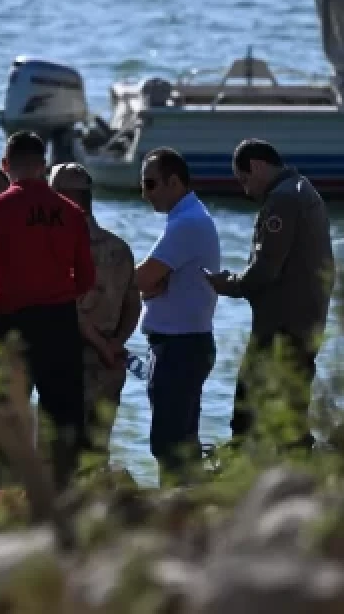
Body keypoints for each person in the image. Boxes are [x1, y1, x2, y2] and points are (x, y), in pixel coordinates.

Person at [0, 131, 95, 489]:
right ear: (44, 166)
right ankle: (63, 494)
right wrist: (58, 295)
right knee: (64, 416)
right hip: (59, 322)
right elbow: (86, 276)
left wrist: (2, 304)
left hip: (12, 321)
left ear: (6, 165)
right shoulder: (71, 212)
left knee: (3, 415)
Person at [207, 139, 335, 449]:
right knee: (291, 411)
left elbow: (265, 271)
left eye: (245, 179)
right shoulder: (304, 189)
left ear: (258, 166)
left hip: (282, 326)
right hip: (306, 321)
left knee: (247, 412)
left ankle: (246, 483)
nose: (246, 190)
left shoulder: (283, 200)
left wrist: (228, 284)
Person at [132, 148, 221, 486]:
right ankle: (189, 510)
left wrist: (143, 284)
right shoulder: (188, 218)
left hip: (180, 346)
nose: (145, 192)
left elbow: (141, 278)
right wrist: (151, 284)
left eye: (151, 184)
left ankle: (179, 515)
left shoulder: (187, 223)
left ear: (174, 182)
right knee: (180, 441)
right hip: (182, 343)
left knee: (169, 444)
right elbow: (151, 281)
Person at [48, 162, 141, 461]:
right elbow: (133, 305)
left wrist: (101, 346)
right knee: (96, 456)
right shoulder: (120, 248)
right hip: (110, 365)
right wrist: (115, 344)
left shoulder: (60, 246)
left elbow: (70, 309)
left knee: (57, 457)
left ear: (63, 198)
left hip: (70, 363)